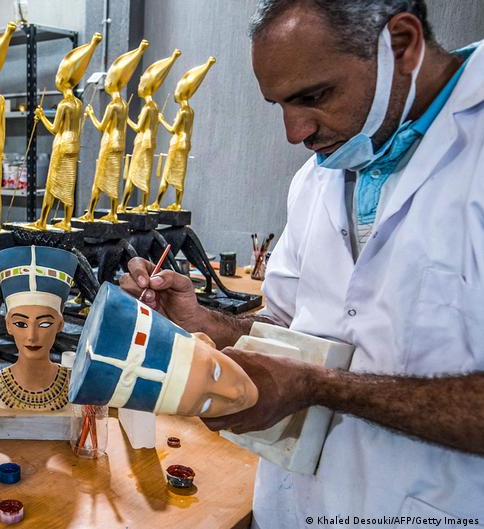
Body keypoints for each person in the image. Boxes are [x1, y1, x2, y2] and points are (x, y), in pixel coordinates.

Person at [121, 1, 483, 527]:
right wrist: (209, 324)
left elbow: (313, 373)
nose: (295, 133)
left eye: (313, 97)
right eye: (280, 106)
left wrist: (320, 386)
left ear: (401, 46)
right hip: (294, 508)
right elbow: (288, 326)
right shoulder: (319, 176)